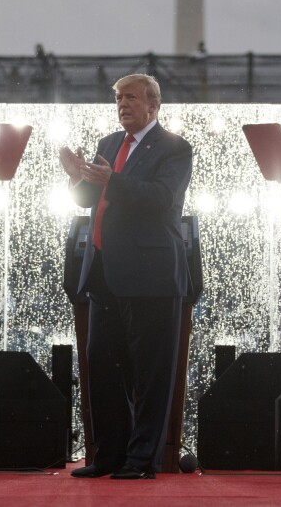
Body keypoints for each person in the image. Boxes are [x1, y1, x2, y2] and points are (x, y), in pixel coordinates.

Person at [59, 74, 192, 479]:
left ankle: (142, 461)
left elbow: (162, 199)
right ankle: (109, 456)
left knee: (150, 375)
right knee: (101, 367)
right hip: (103, 273)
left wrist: (109, 180)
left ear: (153, 105)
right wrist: (77, 176)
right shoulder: (108, 144)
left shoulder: (174, 148)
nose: (123, 104)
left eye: (131, 97)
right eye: (118, 98)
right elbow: (88, 199)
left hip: (150, 276)